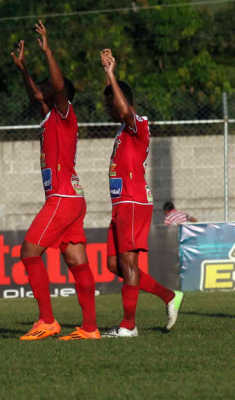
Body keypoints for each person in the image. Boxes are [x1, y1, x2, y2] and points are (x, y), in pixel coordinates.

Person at [10, 21, 99, 341]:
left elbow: (58, 88)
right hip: (72, 198)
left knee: (29, 252)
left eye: (49, 84)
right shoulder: (49, 116)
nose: (45, 87)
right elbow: (36, 92)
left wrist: (47, 52)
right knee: (77, 262)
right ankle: (90, 328)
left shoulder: (65, 111)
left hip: (62, 197)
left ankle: (47, 320)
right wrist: (23, 68)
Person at [99, 49, 184, 337]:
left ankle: (128, 326)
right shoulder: (122, 130)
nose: (106, 109)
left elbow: (125, 111)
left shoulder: (138, 124)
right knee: (114, 264)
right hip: (121, 204)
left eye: (108, 102)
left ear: (117, 99)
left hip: (133, 201)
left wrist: (111, 75)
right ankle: (169, 296)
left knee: (129, 263)